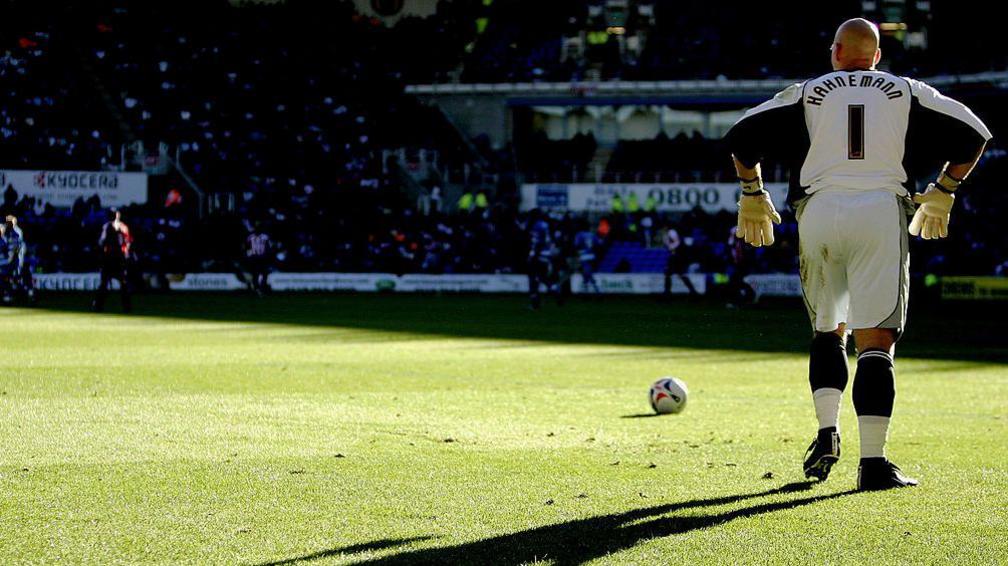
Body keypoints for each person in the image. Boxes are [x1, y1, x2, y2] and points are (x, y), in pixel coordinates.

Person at [725, 18, 991, 491]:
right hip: (880, 210)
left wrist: (751, 191)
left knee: (828, 330)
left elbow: (742, 136)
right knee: (875, 341)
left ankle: (827, 432)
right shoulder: (906, 89)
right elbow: (976, 134)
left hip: (819, 210)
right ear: (877, 57)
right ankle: (873, 463)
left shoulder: (807, 91)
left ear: (834, 53)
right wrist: (945, 189)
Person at [93, 209, 133, 312]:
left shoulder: (120, 227)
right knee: (107, 284)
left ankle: (125, 307)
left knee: (120, 283)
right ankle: (98, 305)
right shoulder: (109, 227)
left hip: (116, 259)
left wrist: (126, 254)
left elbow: (128, 242)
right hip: (111, 258)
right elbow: (102, 242)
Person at [246, 225, 272, 295]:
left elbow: (268, 247)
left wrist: (267, 256)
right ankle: (256, 289)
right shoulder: (250, 237)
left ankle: (262, 288)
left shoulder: (265, 237)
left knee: (264, 273)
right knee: (255, 274)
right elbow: (247, 246)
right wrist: (249, 254)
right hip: (254, 257)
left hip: (262, 257)